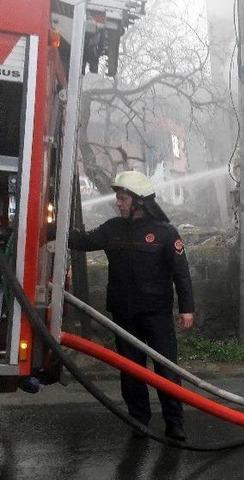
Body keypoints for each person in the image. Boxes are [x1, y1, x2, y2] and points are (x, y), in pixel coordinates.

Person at [67, 171, 194, 441]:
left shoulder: (165, 233)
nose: (118, 203)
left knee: (166, 370)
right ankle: (139, 421)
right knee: (131, 370)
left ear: (139, 201)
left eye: (123, 198)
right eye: (118, 198)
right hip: (124, 314)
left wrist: (187, 309)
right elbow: (82, 241)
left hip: (156, 314)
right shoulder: (112, 229)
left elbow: (181, 273)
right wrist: (50, 226)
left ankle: (174, 423)